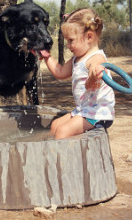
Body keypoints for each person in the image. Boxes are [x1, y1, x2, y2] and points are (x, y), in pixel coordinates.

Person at [38, 8, 115, 139]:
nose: (67, 45)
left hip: (97, 114)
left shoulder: (96, 59)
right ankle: (49, 151)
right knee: (55, 125)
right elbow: (60, 72)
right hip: (82, 110)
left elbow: (93, 85)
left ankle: (61, 158)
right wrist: (47, 57)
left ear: (89, 37)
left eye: (71, 40)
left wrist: (94, 76)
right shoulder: (76, 58)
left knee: (63, 131)